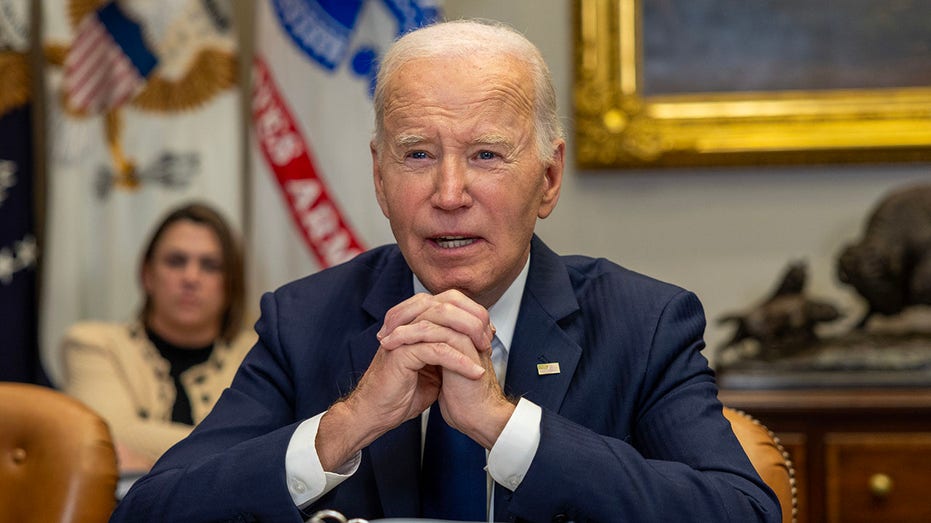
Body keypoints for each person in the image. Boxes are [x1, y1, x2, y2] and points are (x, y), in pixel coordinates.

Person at [113, 20, 780, 522]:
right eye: (417, 154)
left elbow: (741, 510)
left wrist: (505, 426)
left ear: (547, 179)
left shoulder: (642, 322)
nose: (449, 191)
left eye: (486, 154)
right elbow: (148, 510)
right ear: (378, 177)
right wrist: (344, 426)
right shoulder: (306, 318)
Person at [60, 202, 256, 473]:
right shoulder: (93, 344)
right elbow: (108, 434)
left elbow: (279, 445)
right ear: (147, 274)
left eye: (210, 265)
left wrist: (148, 460)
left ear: (231, 282)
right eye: (176, 261)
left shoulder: (260, 354)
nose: (191, 277)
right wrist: (239, 453)